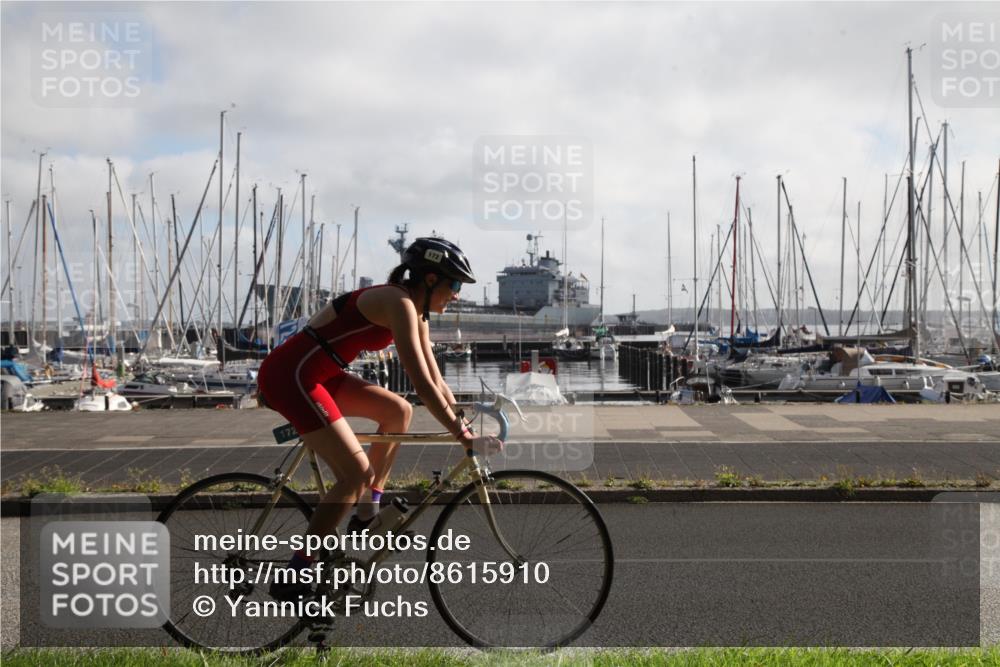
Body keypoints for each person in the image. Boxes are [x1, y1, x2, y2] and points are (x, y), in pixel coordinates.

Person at [256, 237, 502, 599]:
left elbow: (436, 380)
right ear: (430, 279)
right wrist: (463, 437)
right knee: (354, 474)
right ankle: (296, 572)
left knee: (398, 411)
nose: (457, 294)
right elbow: (419, 381)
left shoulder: (416, 313)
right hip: (291, 374)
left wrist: (462, 418)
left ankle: (366, 513)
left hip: (322, 374)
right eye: (454, 284)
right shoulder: (397, 301)